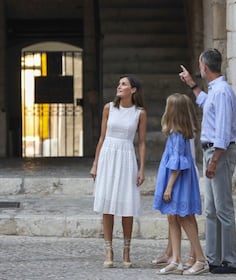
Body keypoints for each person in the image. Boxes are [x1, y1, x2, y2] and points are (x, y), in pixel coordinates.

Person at [178, 48, 236, 274]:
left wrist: (214, 161)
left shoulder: (222, 91)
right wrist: (193, 85)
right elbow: (206, 104)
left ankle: (229, 261)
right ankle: (214, 258)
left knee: (223, 208)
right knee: (212, 209)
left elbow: (222, 130)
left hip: (217, 152)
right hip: (211, 152)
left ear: (204, 66)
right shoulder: (215, 90)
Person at [90, 75, 147, 269]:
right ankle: (108, 250)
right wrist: (95, 163)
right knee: (107, 203)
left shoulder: (139, 113)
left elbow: (141, 142)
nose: (119, 86)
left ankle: (126, 249)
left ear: (133, 90)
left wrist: (142, 169)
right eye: (119, 83)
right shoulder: (109, 108)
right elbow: (102, 137)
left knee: (126, 204)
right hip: (108, 155)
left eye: (124, 84)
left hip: (126, 157)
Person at [152, 93, 208, 275]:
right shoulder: (179, 133)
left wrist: (168, 186)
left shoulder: (177, 134)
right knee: (173, 216)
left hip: (178, 180)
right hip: (179, 178)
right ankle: (175, 259)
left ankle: (200, 258)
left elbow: (177, 164)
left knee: (184, 217)